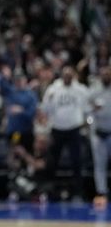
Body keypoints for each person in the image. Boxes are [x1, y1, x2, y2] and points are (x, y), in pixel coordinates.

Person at [42, 65, 88, 200]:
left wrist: (85, 121)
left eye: (70, 75)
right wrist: (49, 99)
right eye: (65, 75)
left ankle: (78, 193)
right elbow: (45, 109)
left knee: (77, 161)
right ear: (62, 76)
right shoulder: (53, 89)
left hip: (74, 129)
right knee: (52, 161)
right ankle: (49, 191)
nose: (67, 77)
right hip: (57, 129)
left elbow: (88, 107)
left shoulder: (81, 89)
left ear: (73, 76)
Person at [89, 66, 111, 209]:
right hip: (98, 132)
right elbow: (86, 109)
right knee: (99, 165)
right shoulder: (94, 90)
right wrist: (92, 110)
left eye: (108, 74)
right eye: (103, 74)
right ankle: (101, 192)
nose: (105, 76)